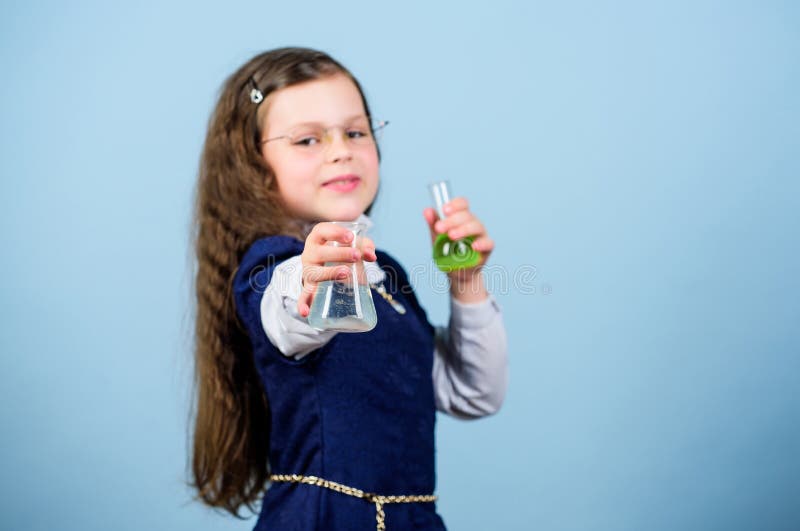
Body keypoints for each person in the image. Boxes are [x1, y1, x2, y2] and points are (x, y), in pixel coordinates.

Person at [189, 47, 508, 530]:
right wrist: (316, 271)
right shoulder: (272, 269)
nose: (341, 150)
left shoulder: (387, 275)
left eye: (356, 132)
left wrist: (466, 282)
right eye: (307, 140)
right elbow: (294, 314)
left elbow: (473, 392)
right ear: (252, 166)